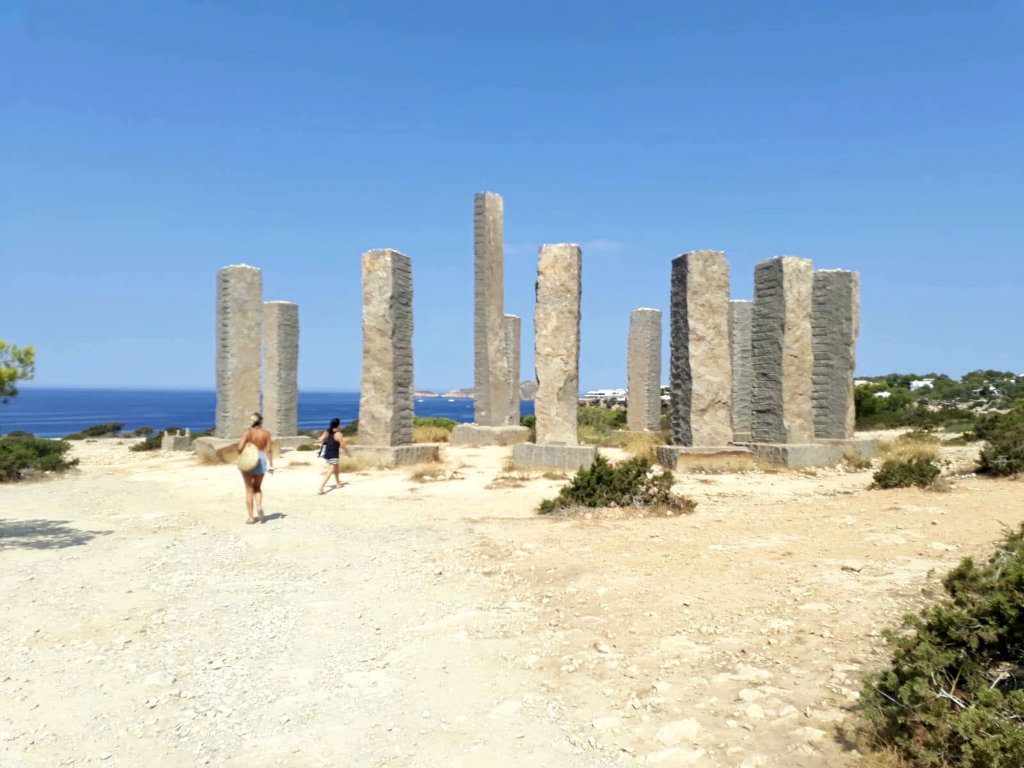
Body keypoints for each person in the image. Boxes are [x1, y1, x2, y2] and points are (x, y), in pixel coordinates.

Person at [237, 412, 273, 524]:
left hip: (249, 458)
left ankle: (251, 517)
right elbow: (269, 450)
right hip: (261, 458)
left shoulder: (247, 433)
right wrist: (271, 464)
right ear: (261, 421)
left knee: (249, 489)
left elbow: (239, 448)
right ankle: (259, 506)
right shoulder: (266, 433)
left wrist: (245, 450)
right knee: (257, 487)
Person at [317, 417, 351, 495]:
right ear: (338, 425)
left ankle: (338, 483)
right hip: (333, 454)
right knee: (331, 470)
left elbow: (320, 440)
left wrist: (327, 439)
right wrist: (347, 454)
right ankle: (321, 487)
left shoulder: (327, 431)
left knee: (336, 467)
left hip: (327, 453)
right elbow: (342, 445)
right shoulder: (338, 434)